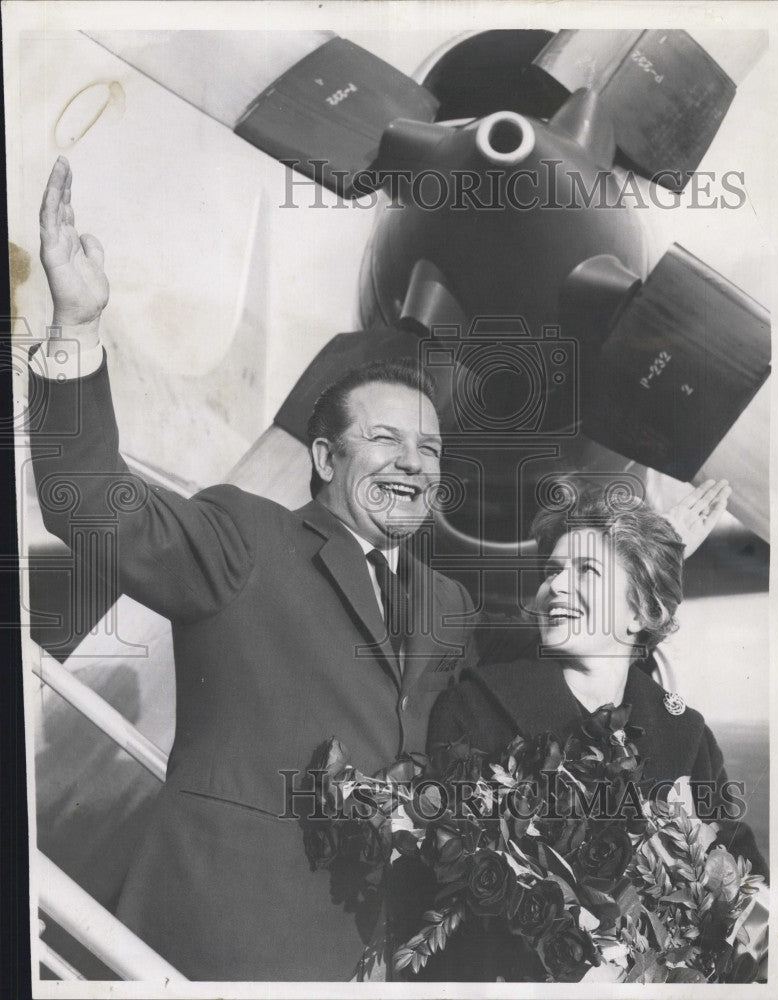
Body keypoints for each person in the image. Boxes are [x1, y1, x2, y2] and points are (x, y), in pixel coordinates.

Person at [31, 157, 729, 981]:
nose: (413, 464)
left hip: (372, 958)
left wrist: (651, 560)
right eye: (386, 441)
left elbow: (561, 654)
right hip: (214, 938)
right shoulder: (243, 535)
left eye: (431, 448)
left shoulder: (444, 603)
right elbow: (87, 501)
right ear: (322, 458)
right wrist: (77, 323)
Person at [422, 484, 768, 979]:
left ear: (641, 615)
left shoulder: (687, 735)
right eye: (552, 571)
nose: (556, 586)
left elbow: (747, 887)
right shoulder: (474, 711)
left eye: (586, 571)